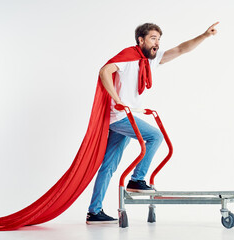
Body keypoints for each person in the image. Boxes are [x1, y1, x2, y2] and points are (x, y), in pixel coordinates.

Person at [86, 22, 219, 224]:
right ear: (141, 40)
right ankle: (137, 180)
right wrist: (118, 100)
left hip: (124, 117)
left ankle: (94, 212)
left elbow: (181, 49)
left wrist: (204, 35)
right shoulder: (128, 56)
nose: (157, 43)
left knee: (109, 166)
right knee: (155, 136)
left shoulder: (151, 60)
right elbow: (104, 71)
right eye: (153, 38)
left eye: (159, 38)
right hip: (121, 116)